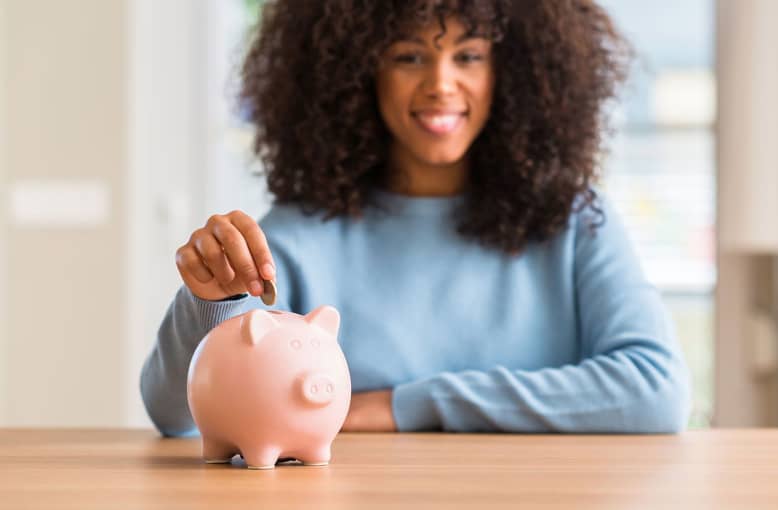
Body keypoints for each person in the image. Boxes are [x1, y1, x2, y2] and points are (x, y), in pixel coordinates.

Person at [140, 0, 690, 437]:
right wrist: (212, 301)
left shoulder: (573, 222)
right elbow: (180, 418)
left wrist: (406, 406)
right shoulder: (300, 235)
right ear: (360, 73)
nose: (441, 84)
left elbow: (656, 392)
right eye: (409, 56)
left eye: (468, 56)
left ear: (514, 73)